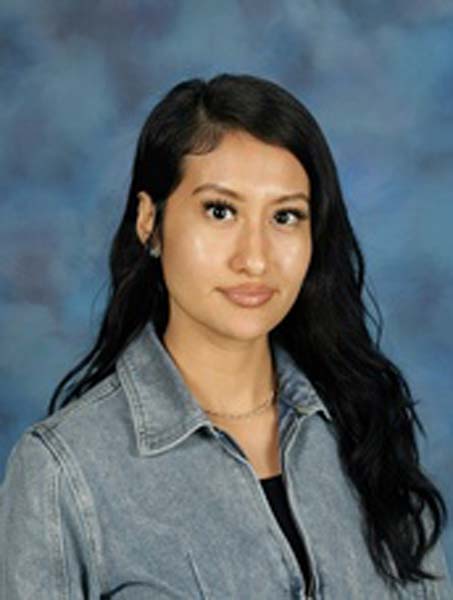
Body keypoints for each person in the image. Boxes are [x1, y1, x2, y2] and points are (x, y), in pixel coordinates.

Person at [0, 73, 451, 599]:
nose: (255, 258)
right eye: (220, 211)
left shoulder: (366, 429)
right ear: (149, 222)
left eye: (285, 216)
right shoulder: (62, 471)